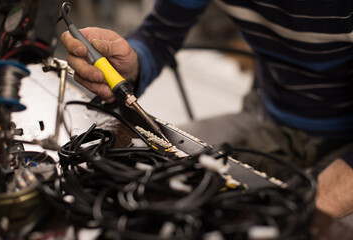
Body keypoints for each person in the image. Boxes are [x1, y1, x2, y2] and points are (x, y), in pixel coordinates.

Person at [61, 0, 353, 218]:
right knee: (139, 171)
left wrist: (301, 217)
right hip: (267, 113)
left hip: (344, 139)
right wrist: (133, 63)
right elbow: (160, 34)